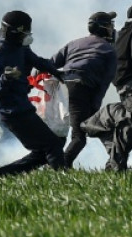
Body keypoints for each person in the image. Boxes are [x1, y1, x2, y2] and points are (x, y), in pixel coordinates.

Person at [0, 10, 67, 176]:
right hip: (13, 112)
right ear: (13, 32)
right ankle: (64, 180)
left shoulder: (20, 48)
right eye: (24, 33)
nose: (28, 36)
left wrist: (58, 72)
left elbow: (37, 61)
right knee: (53, 146)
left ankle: (3, 174)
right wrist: (6, 79)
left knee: (43, 151)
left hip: (22, 107)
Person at [50, 11, 118, 167]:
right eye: (109, 25)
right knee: (79, 137)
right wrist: (95, 105)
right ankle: (60, 166)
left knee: (62, 131)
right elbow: (105, 82)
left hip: (62, 88)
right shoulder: (109, 50)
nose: (112, 29)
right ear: (103, 28)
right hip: (80, 89)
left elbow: (50, 63)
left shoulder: (74, 43)